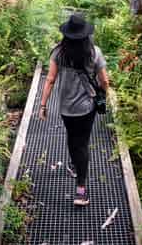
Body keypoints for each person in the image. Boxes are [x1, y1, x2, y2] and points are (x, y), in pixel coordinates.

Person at [39, 13, 110, 206]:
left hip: (66, 108)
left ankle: (73, 164)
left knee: (72, 137)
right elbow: (104, 80)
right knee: (83, 143)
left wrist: (43, 105)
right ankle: (81, 190)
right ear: (86, 34)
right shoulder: (94, 52)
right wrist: (104, 94)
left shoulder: (58, 53)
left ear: (67, 34)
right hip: (87, 107)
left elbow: (50, 79)